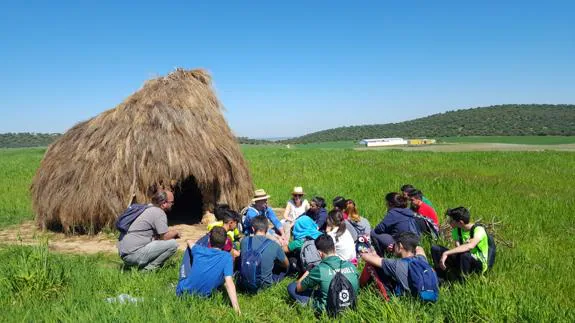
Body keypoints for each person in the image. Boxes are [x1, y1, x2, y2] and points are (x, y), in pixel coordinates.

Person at [287, 234, 359, 314]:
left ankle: (311, 306)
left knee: (292, 287)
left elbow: (299, 288)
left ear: (319, 253)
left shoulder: (319, 269)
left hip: (328, 309)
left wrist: (308, 272)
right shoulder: (351, 265)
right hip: (350, 305)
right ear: (334, 249)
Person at [176, 227, 240, 314]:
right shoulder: (227, 257)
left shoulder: (199, 250)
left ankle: (184, 276)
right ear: (225, 242)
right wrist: (237, 309)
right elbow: (229, 283)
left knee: (189, 249)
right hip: (204, 296)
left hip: (182, 292)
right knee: (224, 272)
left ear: (209, 240)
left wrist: (188, 240)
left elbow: (190, 243)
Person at [360, 232, 437, 297]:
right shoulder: (421, 258)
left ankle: (360, 288)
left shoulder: (396, 264)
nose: (393, 246)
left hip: (406, 297)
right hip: (421, 293)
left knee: (371, 264)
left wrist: (363, 250)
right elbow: (419, 248)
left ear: (400, 246)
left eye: (395, 245)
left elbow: (366, 257)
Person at [118, 190, 180, 271]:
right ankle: (148, 270)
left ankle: (137, 267)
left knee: (158, 240)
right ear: (164, 203)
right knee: (173, 244)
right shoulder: (159, 212)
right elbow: (165, 237)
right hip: (132, 254)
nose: (172, 204)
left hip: (124, 252)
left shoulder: (146, 208)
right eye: (172, 202)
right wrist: (176, 232)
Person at [431, 207, 490, 281]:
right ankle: (442, 276)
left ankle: (463, 281)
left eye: (451, 220)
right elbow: (458, 248)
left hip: (478, 263)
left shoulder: (478, 230)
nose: (449, 222)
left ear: (460, 222)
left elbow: (470, 246)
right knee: (435, 248)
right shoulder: (456, 230)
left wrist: (446, 253)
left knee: (464, 254)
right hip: (463, 260)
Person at [239, 216, 289, 292]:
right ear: (267, 229)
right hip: (264, 286)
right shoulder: (274, 245)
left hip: (244, 284)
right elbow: (286, 264)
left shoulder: (244, 241)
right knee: (283, 269)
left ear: (252, 229)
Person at [370, 192, 419, 257]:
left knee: (373, 232)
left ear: (390, 203)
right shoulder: (408, 211)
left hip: (401, 243)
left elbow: (379, 229)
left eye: (386, 203)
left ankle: (381, 256)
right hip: (414, 241)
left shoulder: (393, 213)